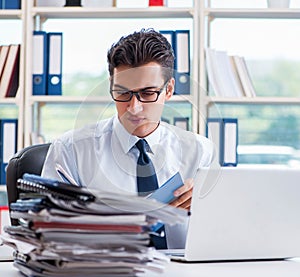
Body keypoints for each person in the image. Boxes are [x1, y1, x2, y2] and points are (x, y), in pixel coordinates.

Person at [41, 28, 215, 249]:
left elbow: (224, 232)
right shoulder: (70, 150)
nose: (134, 108)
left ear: (169, 90)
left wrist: (207, 209)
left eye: (148, 93)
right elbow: (49, 233)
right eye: (123, 93)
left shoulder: (200, 152)